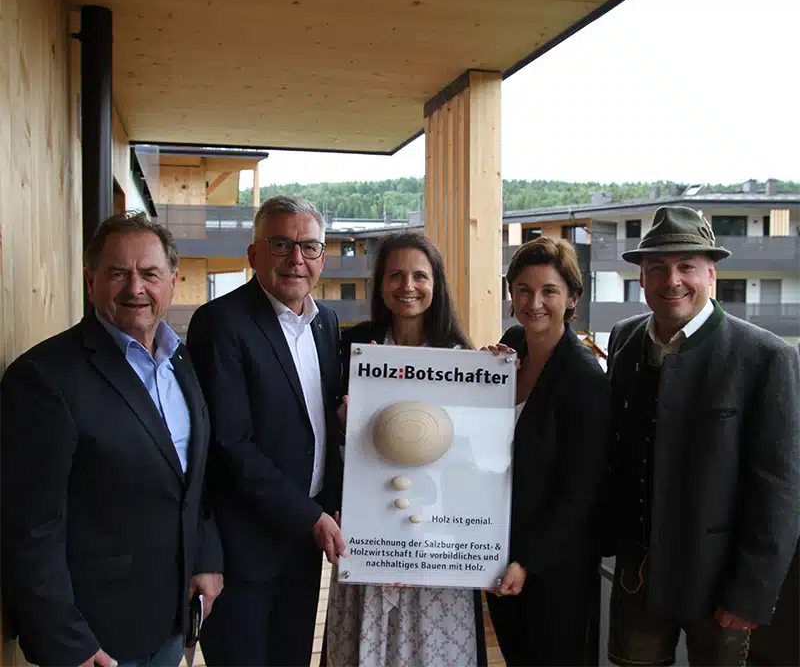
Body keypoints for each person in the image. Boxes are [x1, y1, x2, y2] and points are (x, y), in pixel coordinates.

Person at [0, 212, 223, 667]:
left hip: (169, 620)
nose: (135, 288)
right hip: (94, 638)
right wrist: (68, 643)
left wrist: (205, 558)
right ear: (91, 281)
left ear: (173, 281)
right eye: (118, 273)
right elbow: (29, 526)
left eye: (149, 273)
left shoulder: (180, 361)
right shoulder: (44, 379)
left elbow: (190, 480)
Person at [606, 205, 800, 667]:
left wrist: (750, 593)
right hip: (638, 576)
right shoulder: (623, 339)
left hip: (720, 587)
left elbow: (779, 488)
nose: (672, 279)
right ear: (642, 278)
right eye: (657, 267)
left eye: (686, 266)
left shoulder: (766, 356)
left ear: (710, 274)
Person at [186, 195, 345, 667]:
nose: (296, 259)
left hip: (301, 548)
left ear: (322, 256)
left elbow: (325, 426)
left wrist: (334, 501)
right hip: (242, 554)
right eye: (281, 244)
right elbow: (231, 446)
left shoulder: (326, 324)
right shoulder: (221, 323)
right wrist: (313, 518)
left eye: (309, 246)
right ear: (254, 255)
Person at [328, 231, 487, 667]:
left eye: (420, 275)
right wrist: (348, 417)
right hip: (370, 523)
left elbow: (474, 455)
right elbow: (331, 435)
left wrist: (495, 380)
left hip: (437, 529)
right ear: (380, 284)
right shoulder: (352, 348)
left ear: (436, 284)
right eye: (395, 275)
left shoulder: (463, 358)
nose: (408, 286)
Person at [485, 236, 612, 666]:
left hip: (555, 565)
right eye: (523, 290)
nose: (534, 302)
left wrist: (527, 561)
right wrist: (484, 377)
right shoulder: (511, 343)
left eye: (549, 291)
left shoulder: (583, 375)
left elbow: (580, 491)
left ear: (573, 297)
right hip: (501, 548)